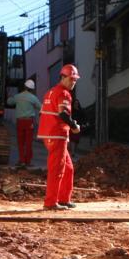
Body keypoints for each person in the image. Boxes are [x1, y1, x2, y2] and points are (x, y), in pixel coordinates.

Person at [37, 64, 80, 210]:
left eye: (75, 80)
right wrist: (74, 127)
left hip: (49, 134)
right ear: (63, 77)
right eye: (71, 79)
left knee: (68, 168)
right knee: (57, 169)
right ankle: (50, 203)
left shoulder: (50, 92)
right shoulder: (64, 93)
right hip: (57, 134)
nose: (73, 82)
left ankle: (63, 199)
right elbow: (63, 114)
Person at [8, 79, 41, 168]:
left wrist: (9, 96)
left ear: (24, 87)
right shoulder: (33, 98)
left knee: (20, 142)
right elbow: (41, 107)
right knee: (29, 142)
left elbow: (9, 102)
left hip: (20, 122)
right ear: (32, 89)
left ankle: (22, 161)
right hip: (29, 121)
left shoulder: (18, 96)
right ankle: (28, 161)